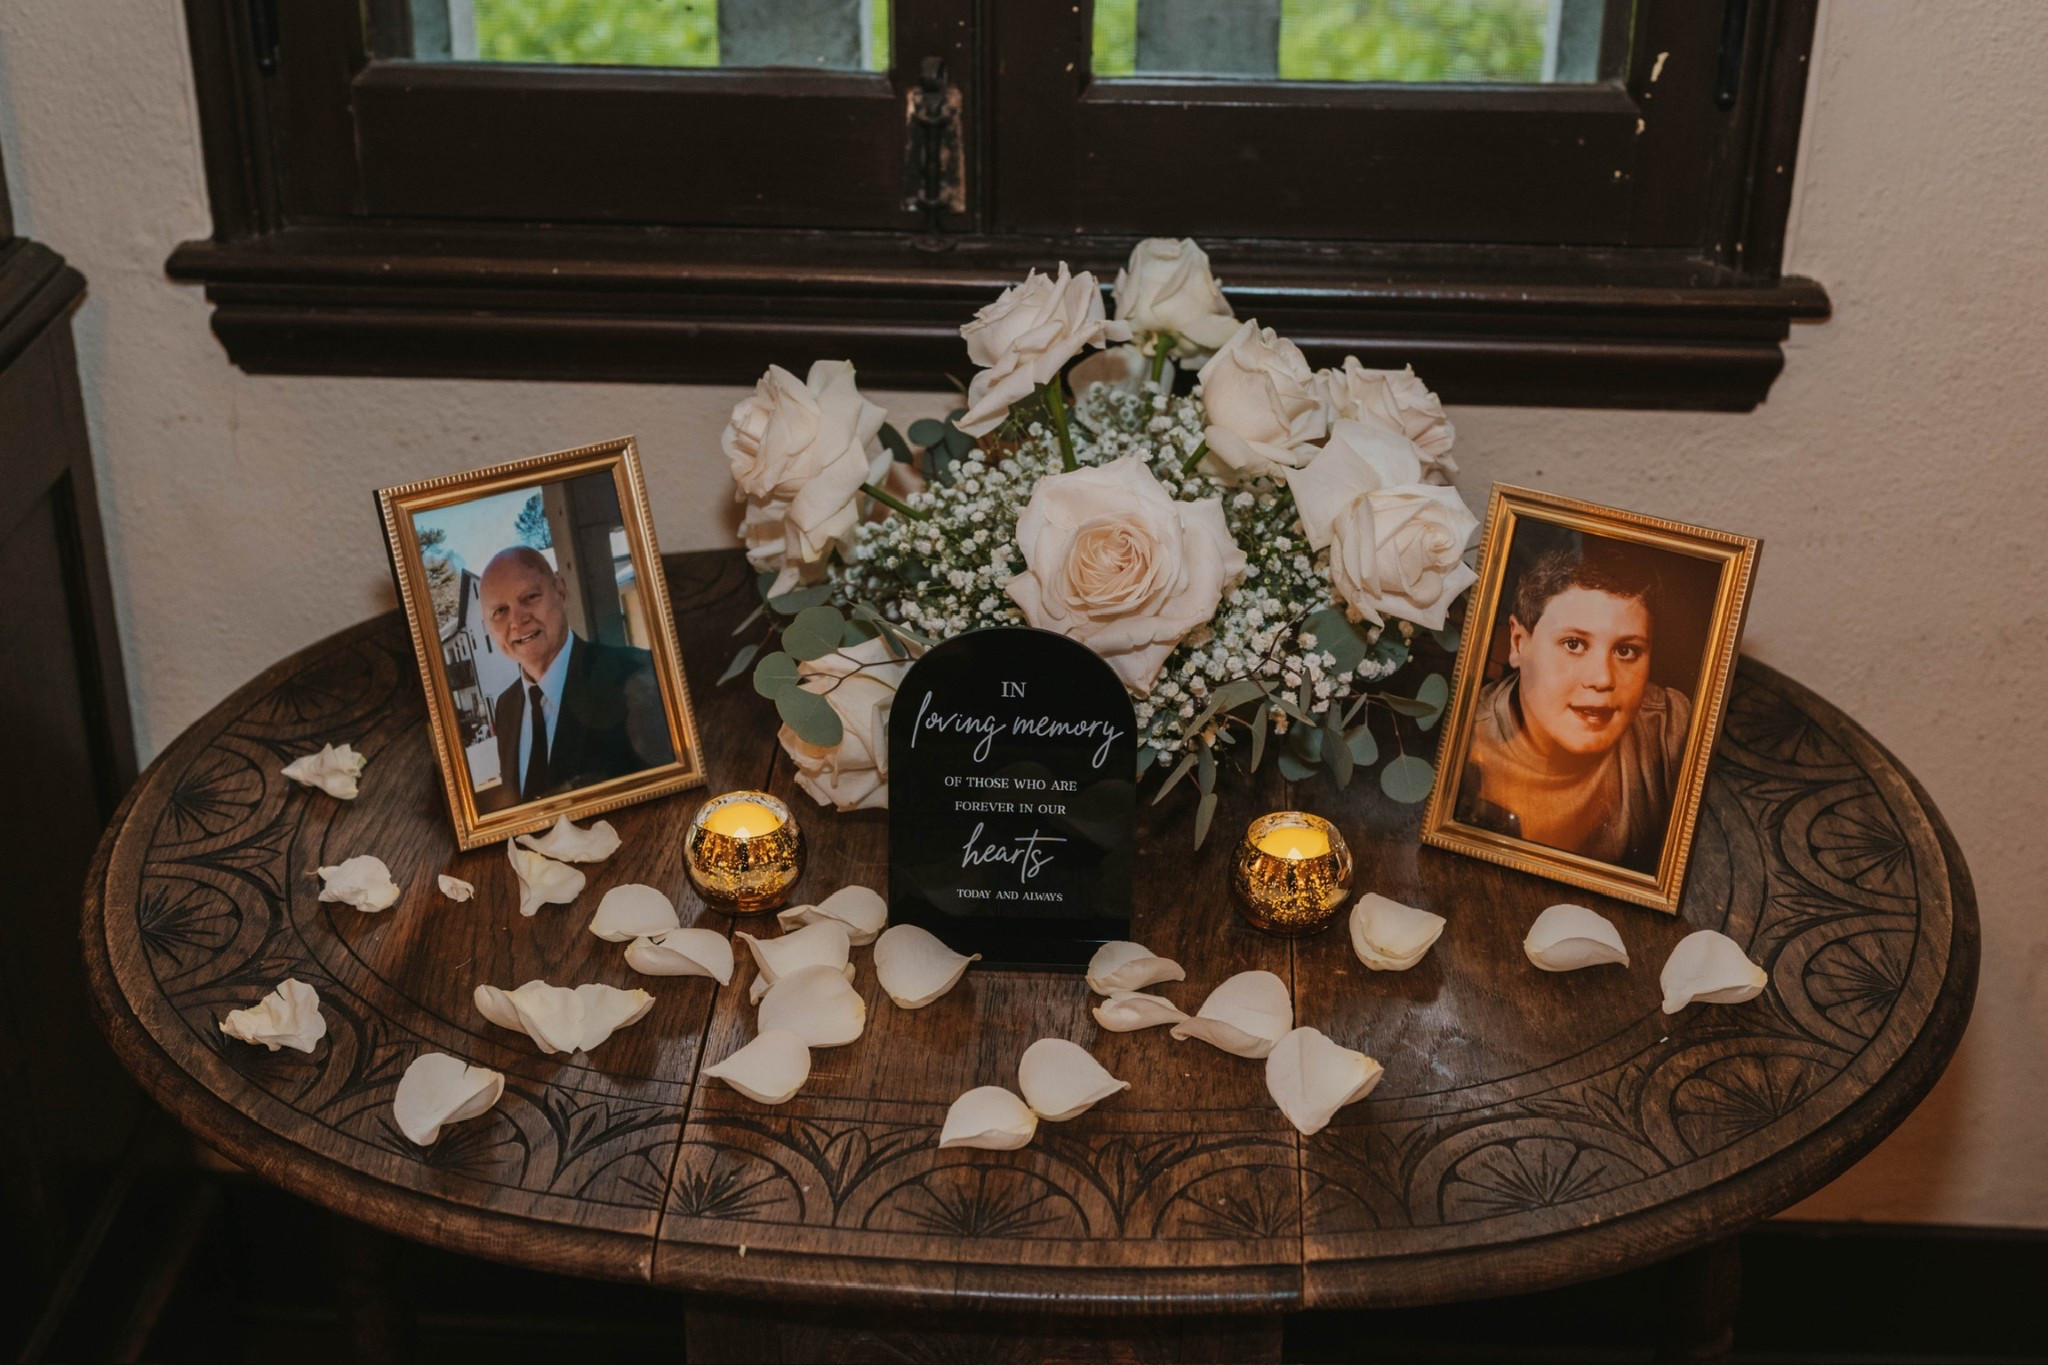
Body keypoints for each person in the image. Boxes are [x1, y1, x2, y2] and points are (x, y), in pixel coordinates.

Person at [1456, 541, 1692, 873]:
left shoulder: (1670, 727)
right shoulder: (1462, 741)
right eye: (1574, 644)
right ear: (1518, 643)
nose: (1601, 679)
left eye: (1626, 650)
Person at [475, 546, 674, 806]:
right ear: (487, 625)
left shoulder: (638, 674)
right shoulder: (506, 707)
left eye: (530, 597)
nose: (517, 620)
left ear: (560, 589)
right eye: (500, 611)